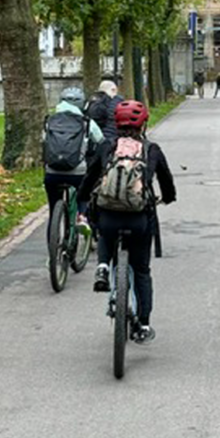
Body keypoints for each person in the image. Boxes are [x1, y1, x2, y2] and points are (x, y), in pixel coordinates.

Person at [86, 100, 176, 345]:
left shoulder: (107, 147)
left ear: (116, 123)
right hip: (139, 220)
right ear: (143, 123)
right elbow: (166, 182)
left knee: (105, 231)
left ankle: (103, 266)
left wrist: (84, 201)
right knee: (142, 271)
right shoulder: (151, 149)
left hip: (108, 217)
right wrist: (168, 197)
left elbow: (91, 176)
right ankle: (144, 325)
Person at [42, 86, 103, 225]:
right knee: (83, 196)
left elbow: (44, 142)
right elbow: (101, 141)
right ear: (83, 104)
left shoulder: (49, 121)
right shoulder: (87, 122)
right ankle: (82, 217)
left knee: (53, 206)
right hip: (78, 173)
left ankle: (54, 230)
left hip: (52, 172)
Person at [84, 78, 121, 145]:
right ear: (113, 90)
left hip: (92, 140)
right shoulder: (116, 102)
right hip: (111, 138)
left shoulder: (90, 101)